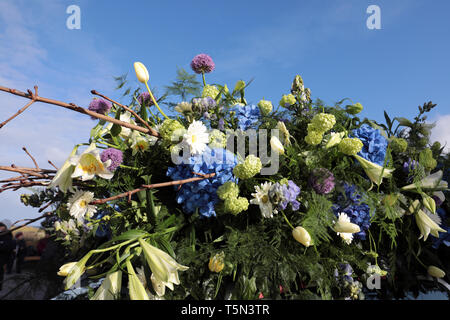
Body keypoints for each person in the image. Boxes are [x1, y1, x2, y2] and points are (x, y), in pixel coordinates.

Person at [0, 223, 14, 290]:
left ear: (4, 227)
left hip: (2, 259)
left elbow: (7, 247)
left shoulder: (7, 236)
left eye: (0, 227)